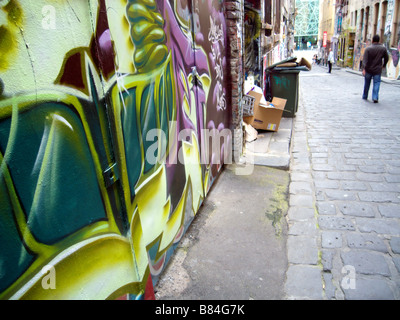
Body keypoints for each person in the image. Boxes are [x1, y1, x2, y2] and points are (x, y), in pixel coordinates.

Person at [362, 34, 389, 103]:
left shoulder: (368, 49)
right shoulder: (383, 49)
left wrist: (364, 69)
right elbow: (387, 58)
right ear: (379, 40)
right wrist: (384, 65)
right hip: (377, 70)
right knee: (376, 83)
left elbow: (364, 60)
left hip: (368, 69)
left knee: (367, 83)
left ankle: (365, 96)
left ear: (373, 40)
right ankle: (375, 97)